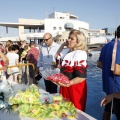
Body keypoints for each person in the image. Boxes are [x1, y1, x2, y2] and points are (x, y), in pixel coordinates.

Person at [54, 29, 88, 111]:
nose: (68, 40)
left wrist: (69, 83)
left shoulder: (80, 53)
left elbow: (82, 77)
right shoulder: (66, 51)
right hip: (65, 85)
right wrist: (62, 45)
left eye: (71, 39)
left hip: (75, 87)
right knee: (63, 109)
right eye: (69, 38)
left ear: (78, 41)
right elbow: (56, 57)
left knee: (76, 110)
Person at [97, 25, 120, 120]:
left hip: (108, 87)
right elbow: (117, 70)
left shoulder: (107, 45)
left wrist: (108, 69)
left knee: (107, 111)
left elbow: (99, 64)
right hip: (118, 89)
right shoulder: (119, 46)